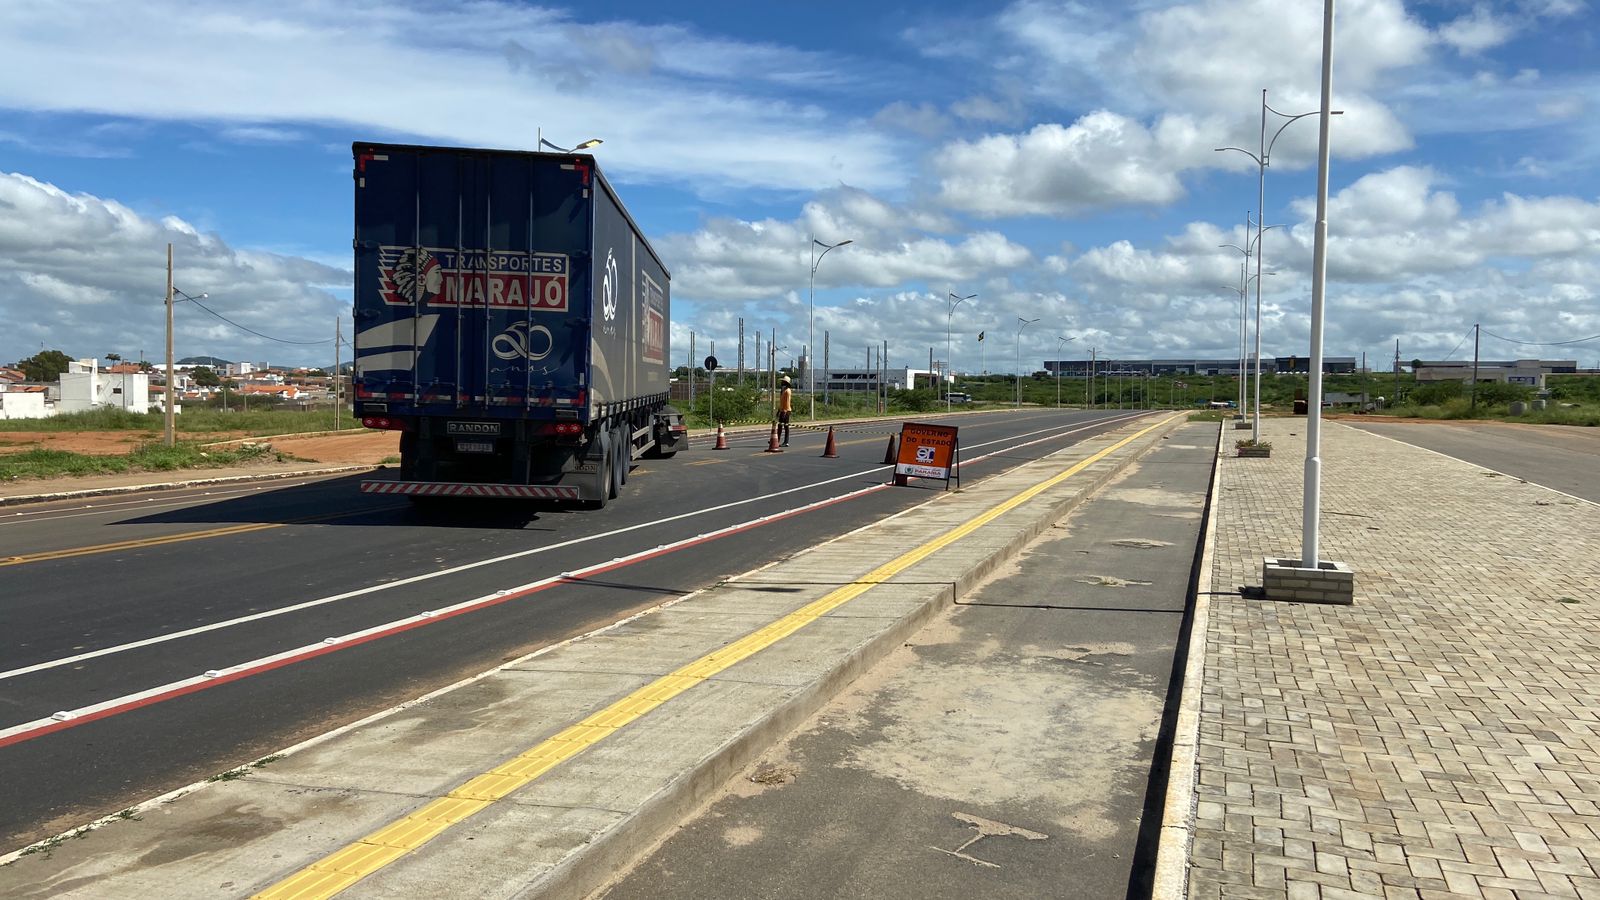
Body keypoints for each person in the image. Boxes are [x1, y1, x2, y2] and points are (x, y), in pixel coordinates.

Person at [777, 375, 793, 446]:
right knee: (780, 425)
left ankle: (786, 442)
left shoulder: (787, 391)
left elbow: (787, 402)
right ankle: (776, 440)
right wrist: (779, 410)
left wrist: (784, 411)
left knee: (786, 426)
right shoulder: (783, 390)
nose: (781, 382)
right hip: (782, 410)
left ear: (785, 382)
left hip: (786, 411)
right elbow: (781, 402)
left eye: (783, 381)